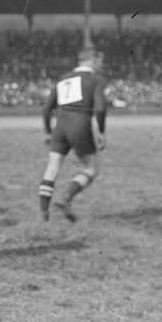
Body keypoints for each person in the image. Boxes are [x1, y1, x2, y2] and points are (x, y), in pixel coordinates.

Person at [39, 47, 109, 222]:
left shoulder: (63, 78)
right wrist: (100, 131)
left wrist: (48, 132)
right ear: (92, 60)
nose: (102, 64)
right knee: (92, 168)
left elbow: (47, 109)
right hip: (80, 123)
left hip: (60, 124)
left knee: (52, 166)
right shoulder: (96, 79)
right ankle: (65, 198)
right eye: (100, 60)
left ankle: (43, 212)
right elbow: (100, 108)